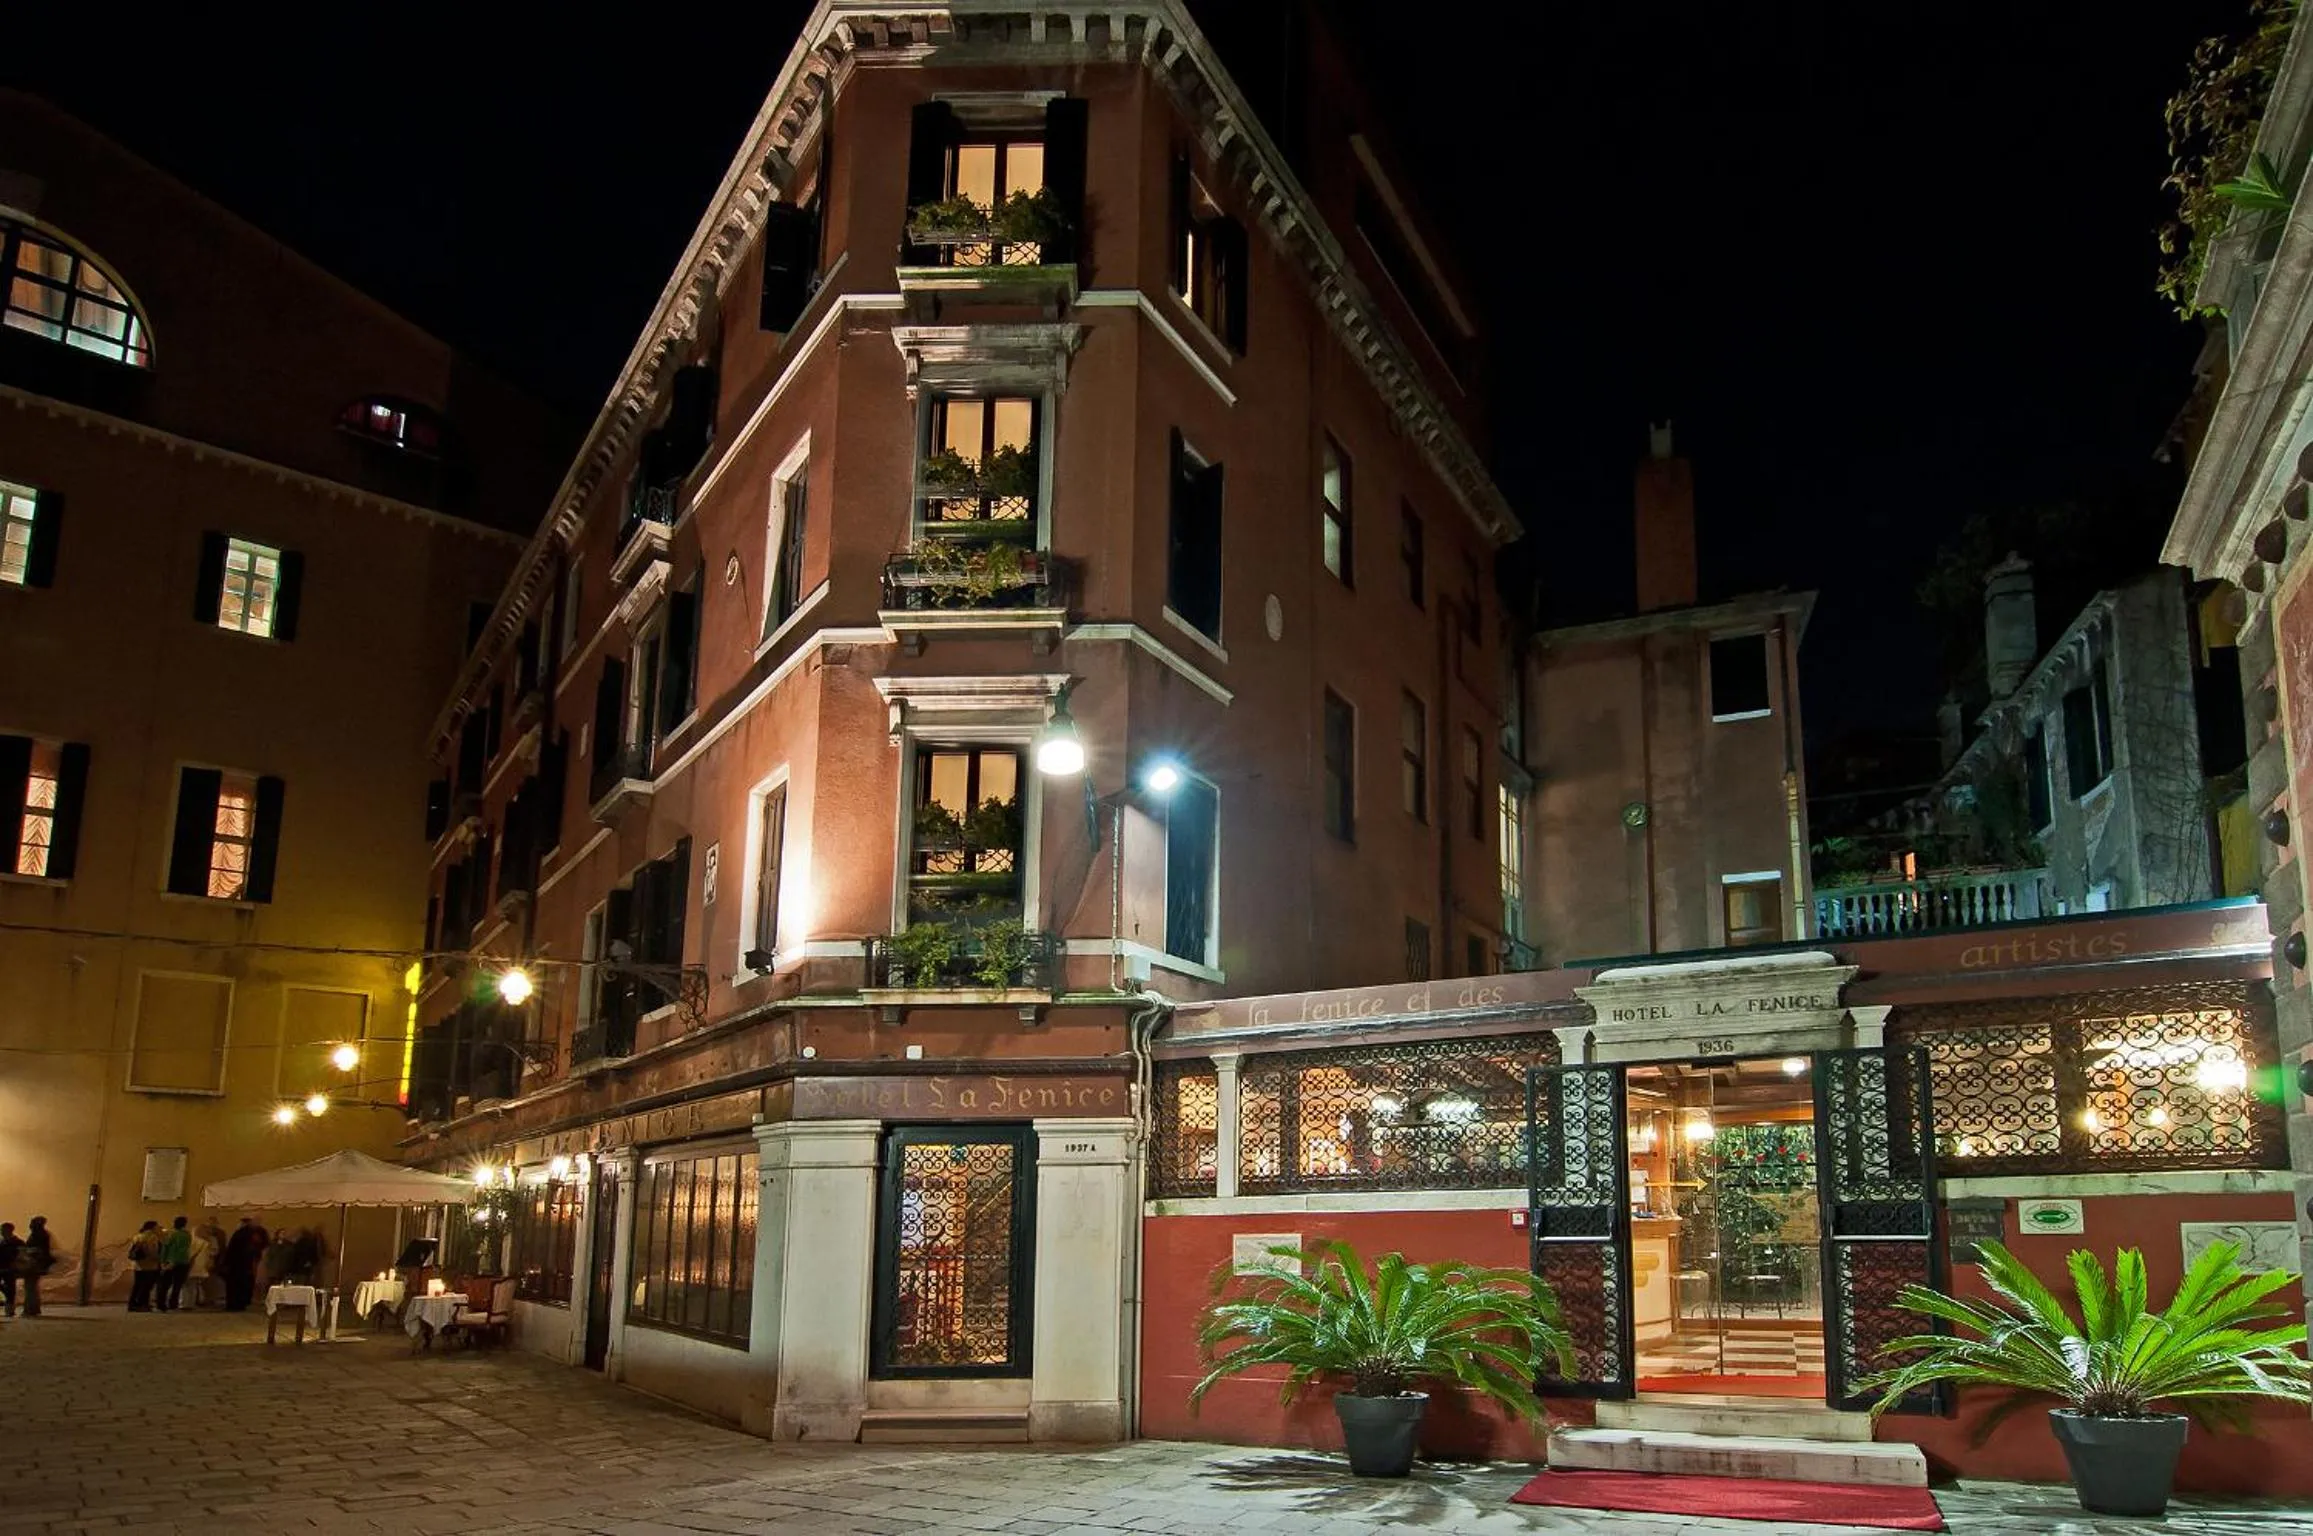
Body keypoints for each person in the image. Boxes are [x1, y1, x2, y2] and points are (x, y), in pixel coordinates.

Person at [221, 1216, 268, 1312]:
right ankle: (241, 1304)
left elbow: (231, 1250)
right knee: (243, 1285)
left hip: (236, 1265)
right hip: (245, 1265)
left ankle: (234, 1304)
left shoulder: (240, 1233)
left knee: (234, 1286)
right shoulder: (255, 1233)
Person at [127, 1221, 164, 1311]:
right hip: (149, 1265)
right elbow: (152, 1251)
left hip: (138, 1265)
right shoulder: (152, 1237)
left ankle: (133, 1304)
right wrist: (159, 1259)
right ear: (152, 1228)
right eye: (157, 1227)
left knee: (137, 1285)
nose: (158, 1229)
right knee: (146, 1286)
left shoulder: (138, 1236)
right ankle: (142, 1304)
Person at [158, 1216, 193, 1312]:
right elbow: (188, 1247)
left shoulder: (170, 1234)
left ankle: (161, 1304)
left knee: (165, 1285)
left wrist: (162, 1261)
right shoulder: (187, 1235)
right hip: (183, 1261)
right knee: (177, 1285)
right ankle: (173, 1304)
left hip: (171, 1261)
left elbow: (165, 1248)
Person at [184, 1222, 219, 1309]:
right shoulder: (207, 1242)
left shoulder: (192, 1241)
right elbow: (211, 1254)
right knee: (197, 1285)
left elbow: (190, 1254)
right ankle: (198, 1300)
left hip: (193, 1265)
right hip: (202, 1265)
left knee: (189, 1285)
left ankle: (188, 1303)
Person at [22, 1218, 52, 1317]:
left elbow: (37, 1250)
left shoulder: (38, 1235)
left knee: (30, 1287)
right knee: (32, 1286)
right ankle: (33, 1308)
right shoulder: (43, 1234)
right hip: (36, 1264)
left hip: (33, 1264)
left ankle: (30, 1309)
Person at [0, 1222, 20, 1317]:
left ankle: (10, 1309)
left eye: (3, 1230)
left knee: (11, 1290)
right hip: (2, 1268)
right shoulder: (2, 1242)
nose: (1, 1232)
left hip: (10, 1269)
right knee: (8, 1289)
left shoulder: (17, 1242)